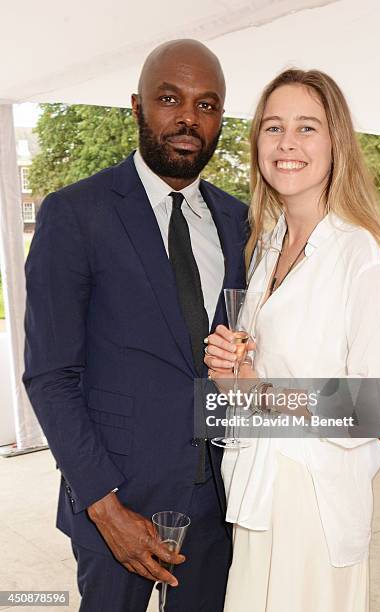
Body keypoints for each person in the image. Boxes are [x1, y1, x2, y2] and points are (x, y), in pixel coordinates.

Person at [23, 39, 248, 612]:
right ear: (137, 107)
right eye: (170, 98)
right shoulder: (76, 213)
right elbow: (51, 374)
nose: (188, 119)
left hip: (220, 503)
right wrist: (104, 506)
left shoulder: (239, 220)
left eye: (207, 104)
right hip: (118, 505)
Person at [204, 69, 380, 612]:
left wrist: (261, 391)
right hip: (255, 487)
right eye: (273, 128)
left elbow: (376, 409)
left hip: (313, 499)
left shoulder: (359, 253)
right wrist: (229, 372)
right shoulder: (267, 247)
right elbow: (247, 388)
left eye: (306, 128)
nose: (287, 143)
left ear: (335, 140)